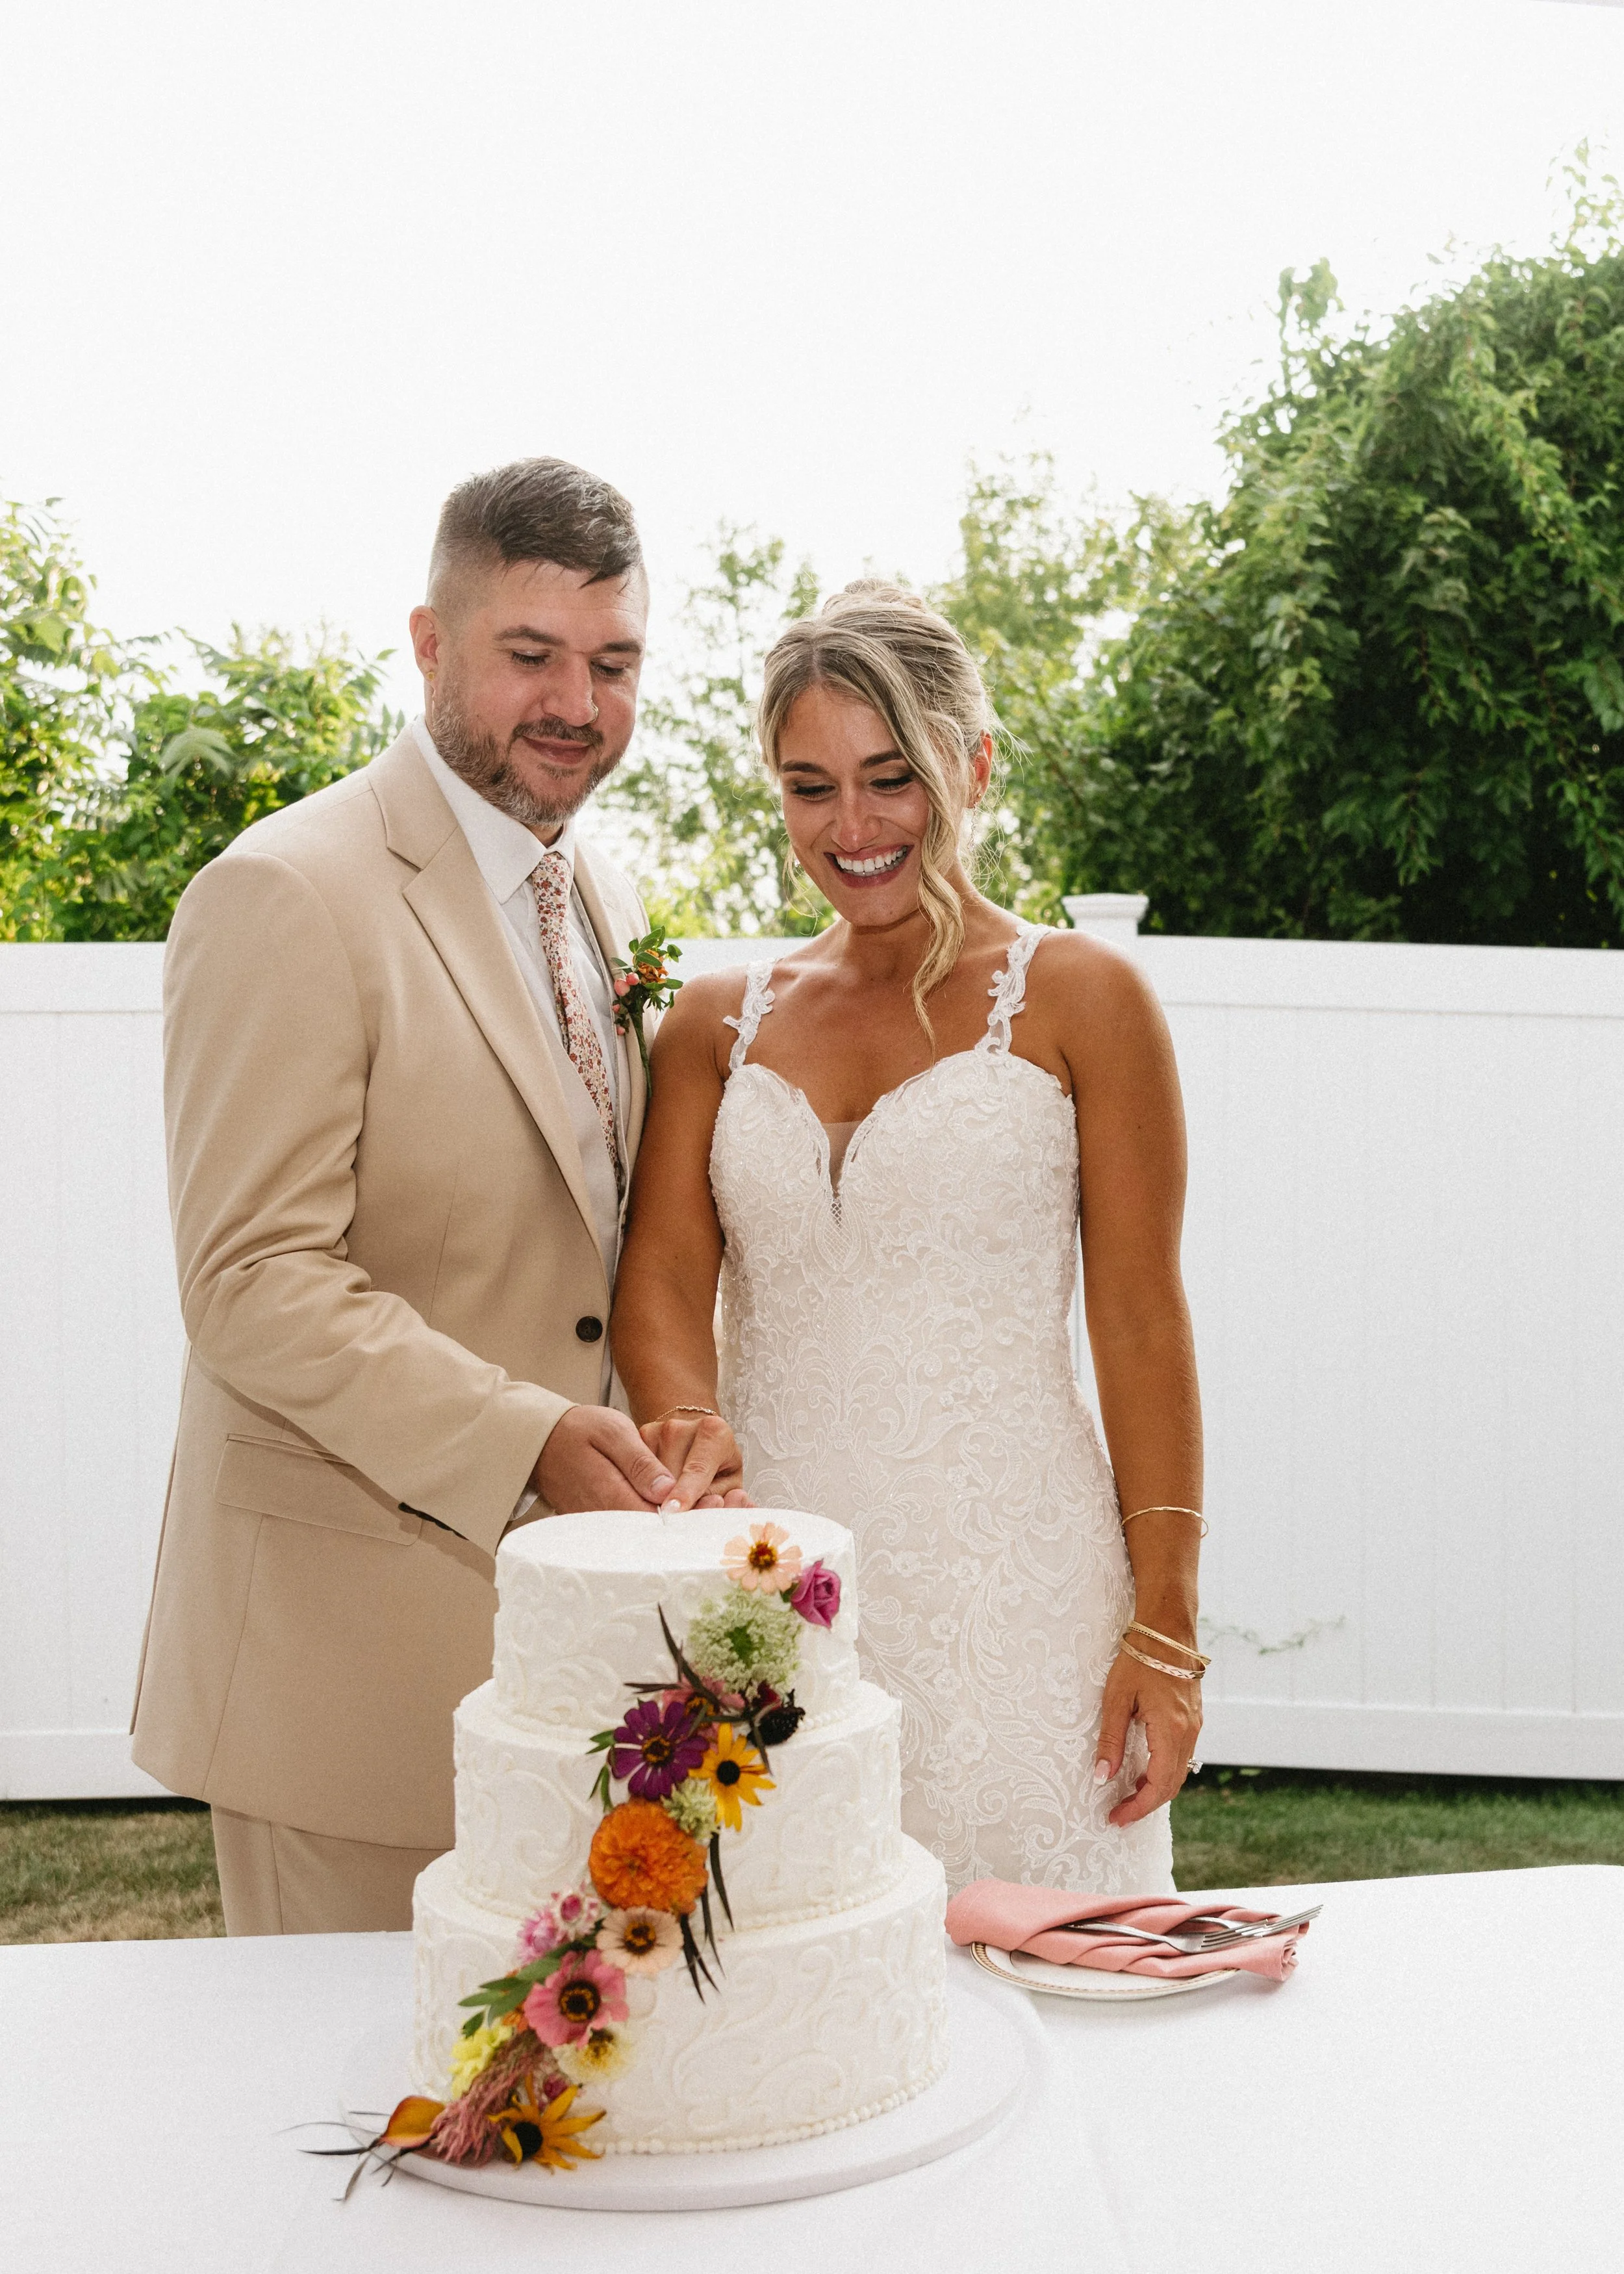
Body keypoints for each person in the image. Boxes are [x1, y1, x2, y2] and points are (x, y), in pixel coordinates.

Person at [131, 457, 704, 1934]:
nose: (575, 701)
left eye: (613, 661)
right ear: (430, 643)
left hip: (562, 1673)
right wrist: (524, 1443)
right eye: (530, 656)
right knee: (335, 2138)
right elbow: (253, 1280)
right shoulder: (287, 892)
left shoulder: (608, 897)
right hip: (341, 1682)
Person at [613, 583, 1204, 1893]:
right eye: (809, 786)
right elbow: (658, 1276)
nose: (852, 826)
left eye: (892, 778)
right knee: (796, 1985)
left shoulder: (1080, 999)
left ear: (974, 765)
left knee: (1064, 1999)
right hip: (775, 1588)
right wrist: (682, 1427)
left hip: (1025, 1604)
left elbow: (1141, 1324)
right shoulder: (714, 1021)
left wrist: (1163, 1628)